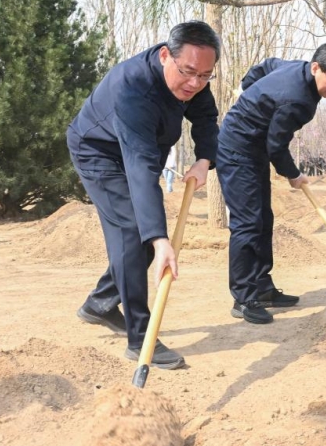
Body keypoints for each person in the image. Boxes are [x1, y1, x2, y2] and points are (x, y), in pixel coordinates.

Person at [67, 20, 220, 369]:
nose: (195, 83)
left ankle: (100, 303)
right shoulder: (132, 89)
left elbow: (206, 117)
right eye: (188, 73)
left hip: (139, 152)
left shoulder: (193, 75)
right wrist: (160, 238)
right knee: (134, 234)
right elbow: (138, 169)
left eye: (205, 76)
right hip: (99, 153)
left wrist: (204, 159)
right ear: (166, 55)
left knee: (142, 238)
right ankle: (140, 338)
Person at [217, 43, 326, 324]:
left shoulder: (296, 67)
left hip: (254, 149)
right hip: (236, 148)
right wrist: (293, 174)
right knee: (247, 223)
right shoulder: (298, 101)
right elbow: (277, 146)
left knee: (263, 219)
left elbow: (264, 66)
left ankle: (262, 287)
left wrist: (248, 89)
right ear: (316, 67)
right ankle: (243, 298)